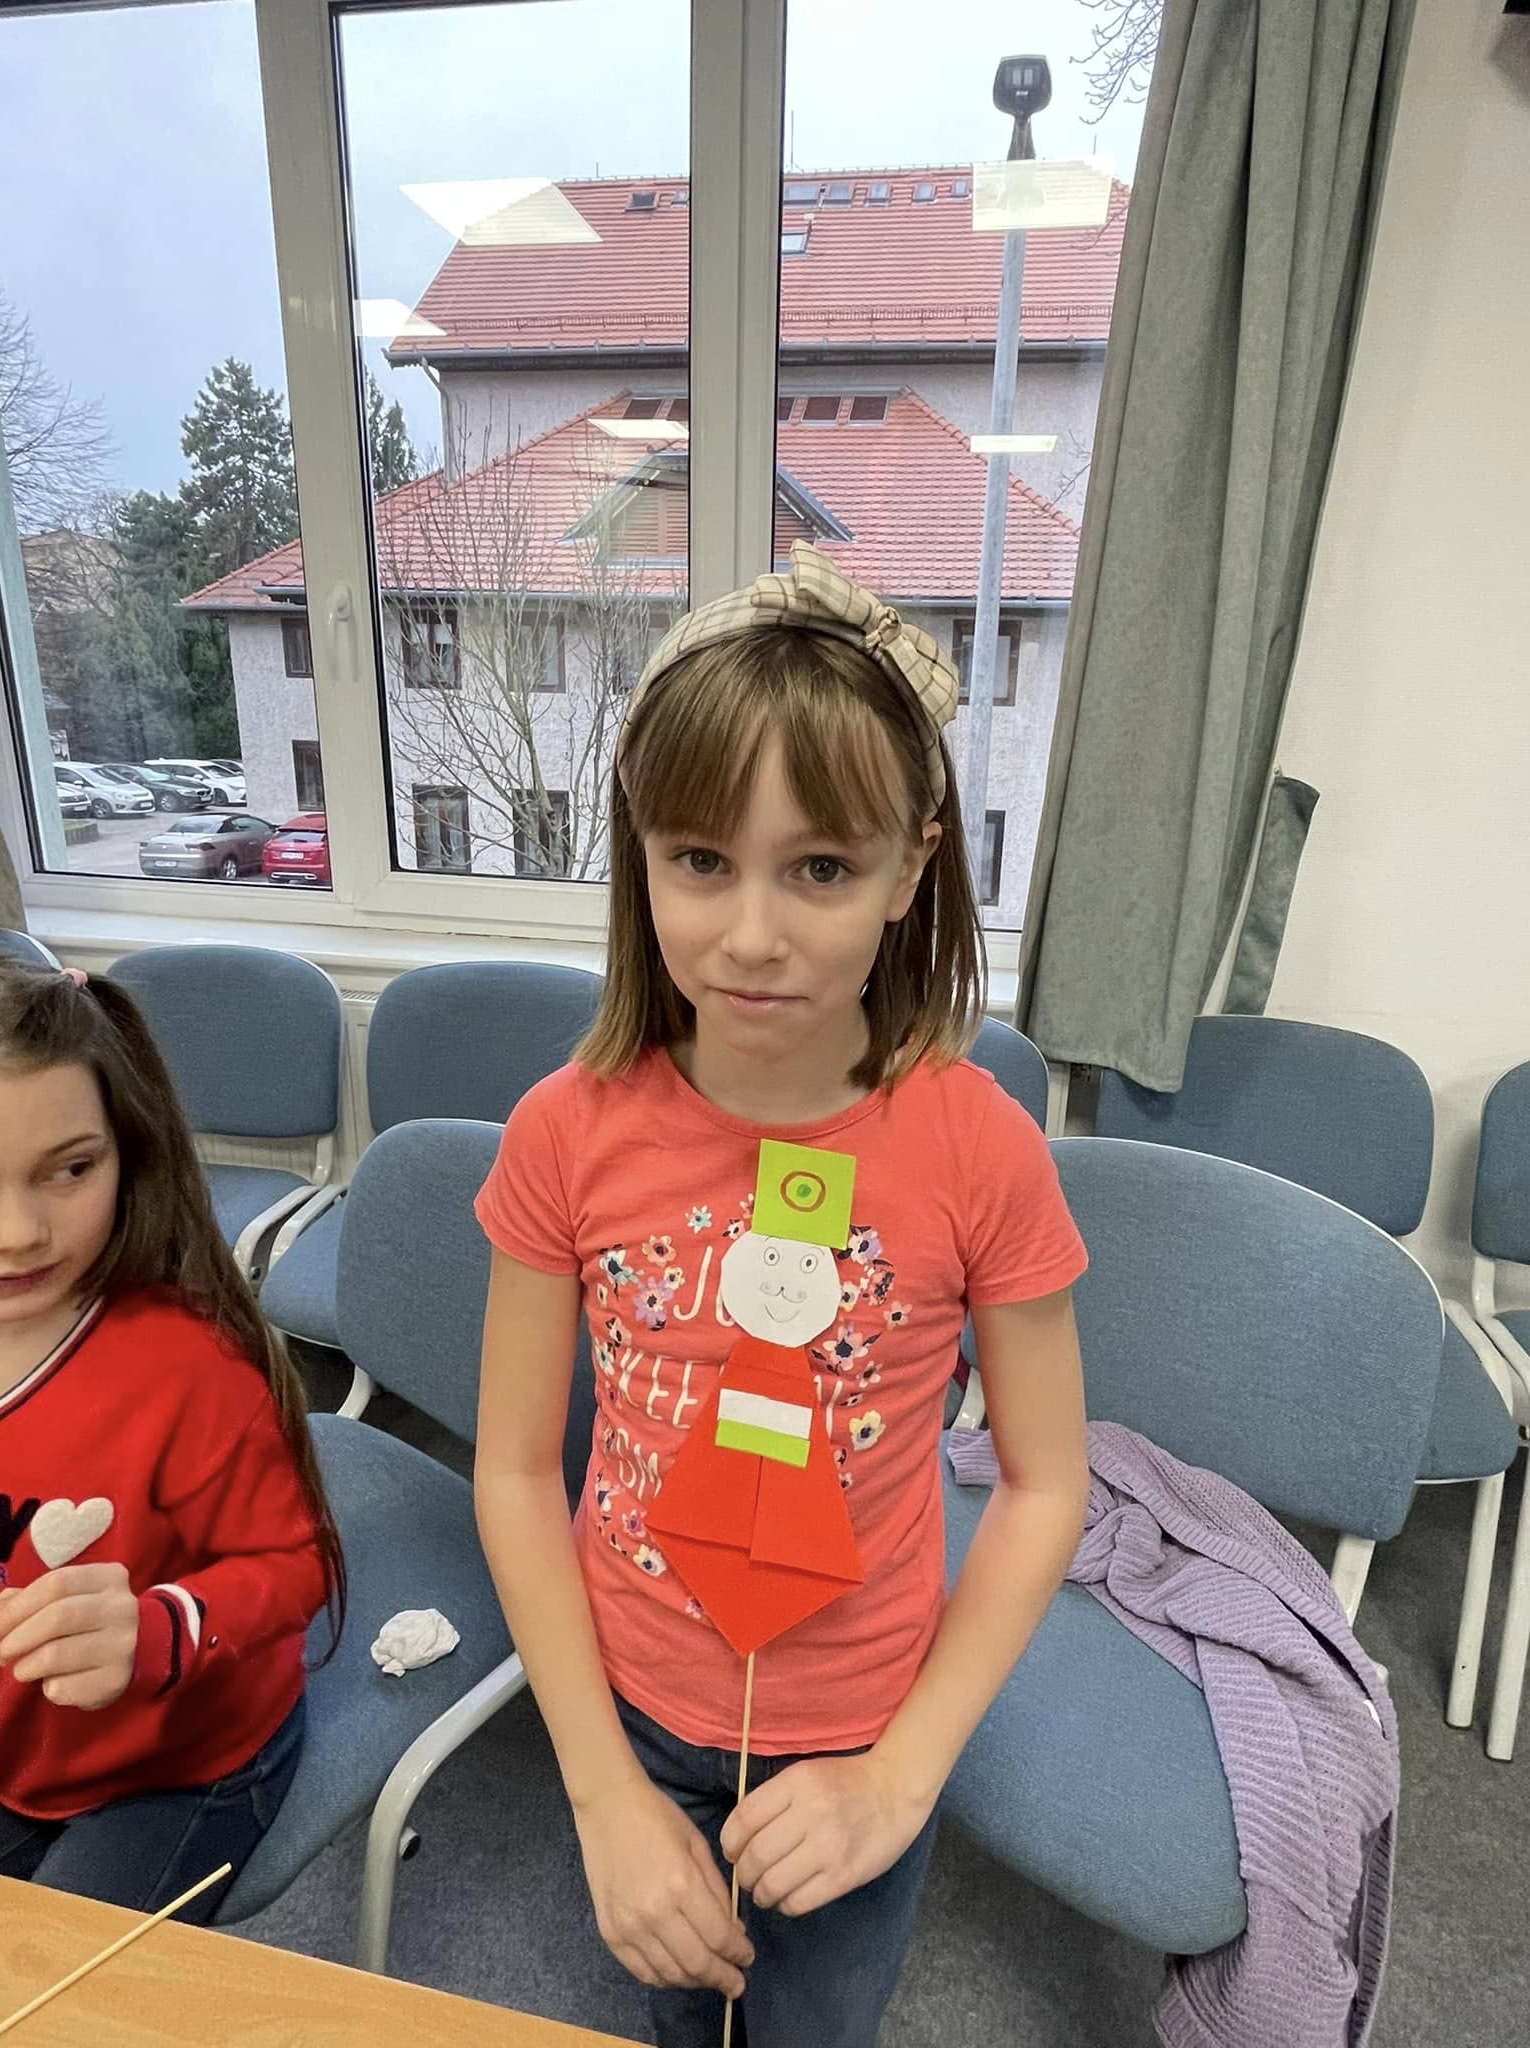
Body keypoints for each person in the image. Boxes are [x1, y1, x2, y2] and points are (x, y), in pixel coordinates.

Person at [474, 543, 1090, 2048]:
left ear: (912, 867)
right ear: (641, 853)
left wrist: (902, 1775)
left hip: (858, 1732)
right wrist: (601, 1795)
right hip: (634, 1711)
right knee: (675, 2016)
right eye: (701, 860)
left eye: (819, 869)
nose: (752, 936)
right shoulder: (564, 1130)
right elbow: (512, 1469)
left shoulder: (980, 1148)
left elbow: (1046, 1484)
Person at [0, 961, 343, 1919]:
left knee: (65, 1987)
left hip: (182, 1765)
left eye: (71, 1169)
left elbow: (298, 1565)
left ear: (128, 1155)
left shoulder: (189, 1369)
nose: (18, 1232)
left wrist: (158, 1632)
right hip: (19, 1744)